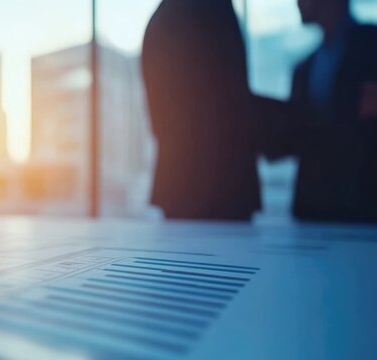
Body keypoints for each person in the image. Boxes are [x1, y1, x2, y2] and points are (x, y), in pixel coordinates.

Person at [142, 0, 261, 221]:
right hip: (219, 182)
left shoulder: (164, 16)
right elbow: (227, 98)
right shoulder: (209, 8)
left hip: (183, 183)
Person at [283, 0, 377, 222]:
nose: (297, 3)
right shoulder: (304, 66)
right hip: (314, 208)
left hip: (363, 205)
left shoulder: (371, 46)